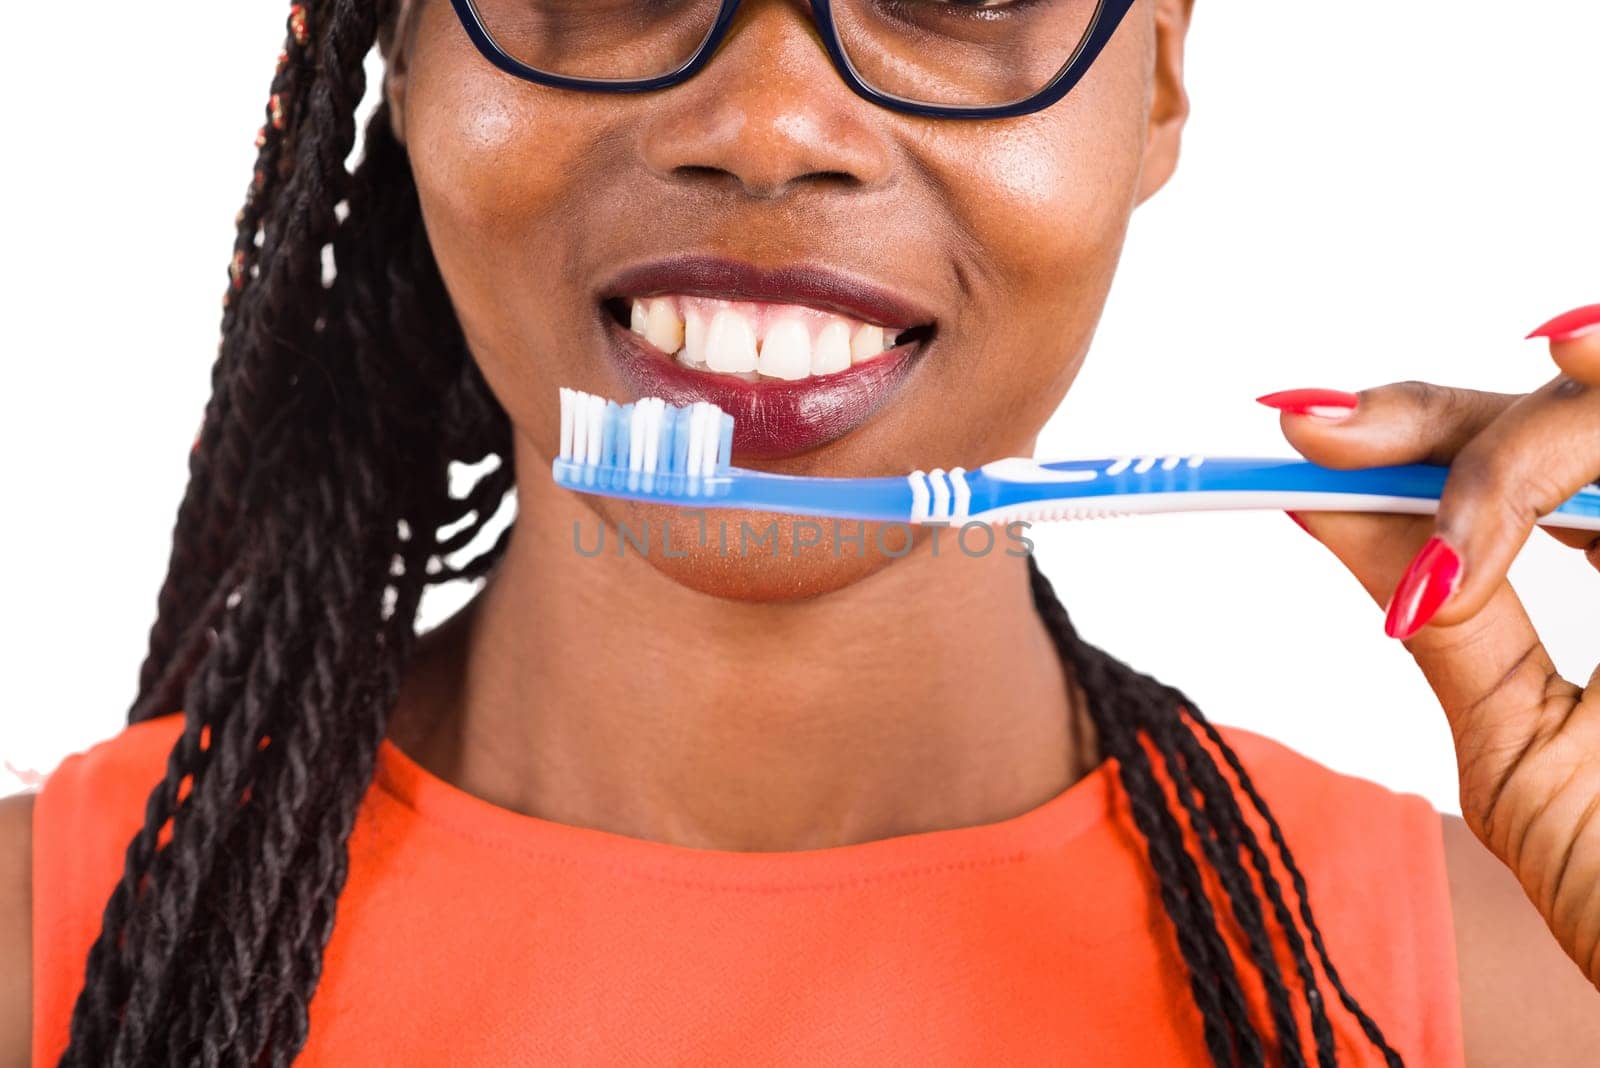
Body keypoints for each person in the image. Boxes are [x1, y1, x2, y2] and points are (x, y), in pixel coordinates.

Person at [3, 0, 1599, 1063]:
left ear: (1160, 76)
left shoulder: (1512, 992)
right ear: (405, 52)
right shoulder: (45, 964)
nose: (768, 125)